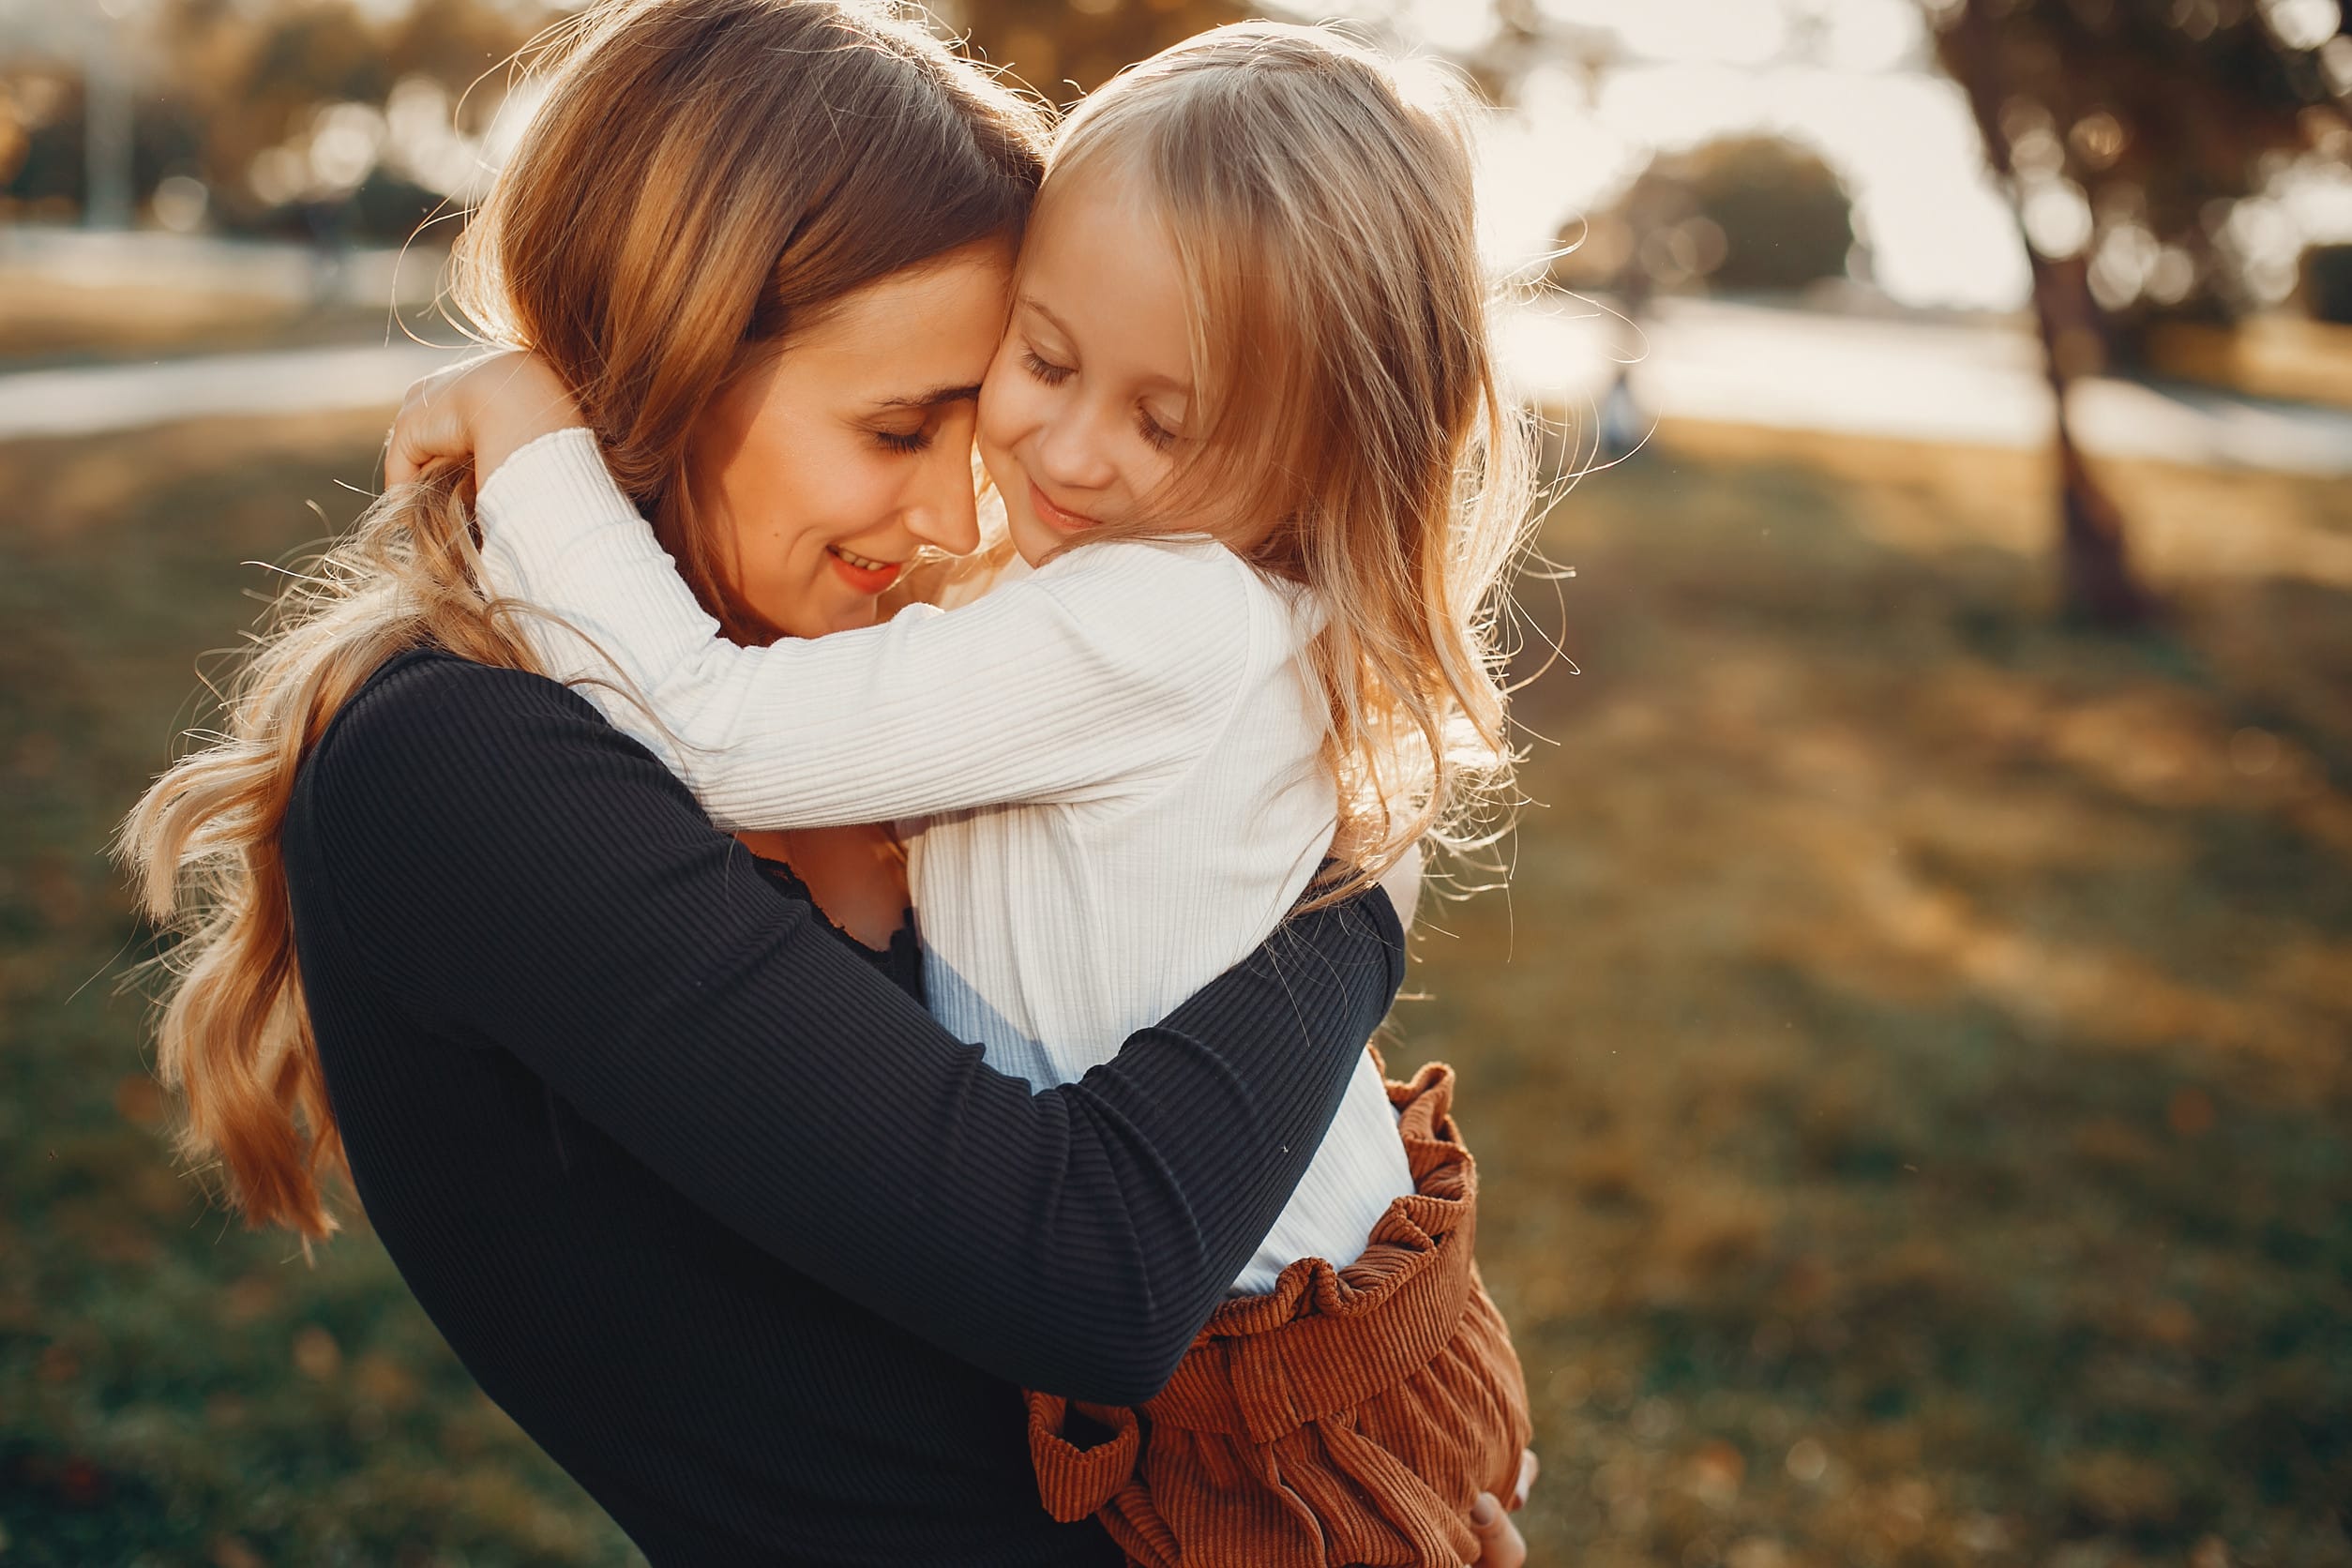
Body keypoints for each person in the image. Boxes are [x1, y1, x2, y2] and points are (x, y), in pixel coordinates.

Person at [118, 2, 1531, 1564]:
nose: (958, 507)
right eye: (899, 424)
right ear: (672, 360)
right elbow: (1099, 1274)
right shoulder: (465, 764)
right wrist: (1362, 907)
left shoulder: (898, 689)